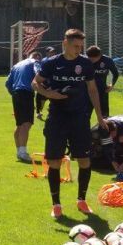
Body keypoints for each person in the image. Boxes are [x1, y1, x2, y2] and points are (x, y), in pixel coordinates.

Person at [32, 29, 108, 218]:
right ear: (65, 43)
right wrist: (49, 94)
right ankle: (56, 204)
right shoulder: (51, 63)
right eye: (75, 46)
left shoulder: (85, 63)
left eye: (80, 47)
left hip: (79, 117)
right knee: (54, 161)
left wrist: (99, 116)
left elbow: (92, 90)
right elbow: (35, 83)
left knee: (84, 160)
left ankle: (81, 200)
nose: (78, 50)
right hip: (57, 117)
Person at [5, 51, 43, 162]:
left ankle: (19, 151)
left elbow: (8, 83)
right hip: (26, 93)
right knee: (26, 124)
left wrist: (14, 94)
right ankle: (23, 152)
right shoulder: (35, 62)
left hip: (16, 94)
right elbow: (38, 74)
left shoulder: (16, 65)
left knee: (20, 124)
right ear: (37, 57)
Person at [86, 45, 120, 117]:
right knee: (85, 115)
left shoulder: (107, 61)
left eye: (93, 59)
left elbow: (116, 74)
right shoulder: (85, 61)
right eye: (89, 58)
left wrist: (111, 85)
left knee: (104, 116)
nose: (91, 61)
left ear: (100, 56)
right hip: (87, 92)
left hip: (102, 91)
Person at [34, 46, 55, 121]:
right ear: (47, 53)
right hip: (44, 83)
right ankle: (38, 112)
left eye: (53, 52)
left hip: (52, 83)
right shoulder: (44, 61)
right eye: (51, 52)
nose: (52, 53)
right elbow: (41, 73)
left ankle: (51, 111)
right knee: (41, 99)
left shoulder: (56, 60)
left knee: (53, 98)